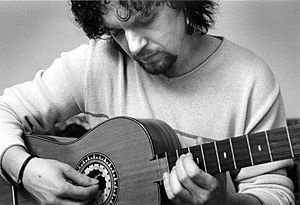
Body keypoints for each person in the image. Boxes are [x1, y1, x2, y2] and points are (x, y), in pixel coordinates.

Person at [0, 0, 295, 204]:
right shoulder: (95, 62)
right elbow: (5, 110)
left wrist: (226, 203)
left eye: (146, 20)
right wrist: (25, 171)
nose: (134, 45)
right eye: (116, 31)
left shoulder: (250, 79)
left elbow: (275, 194)